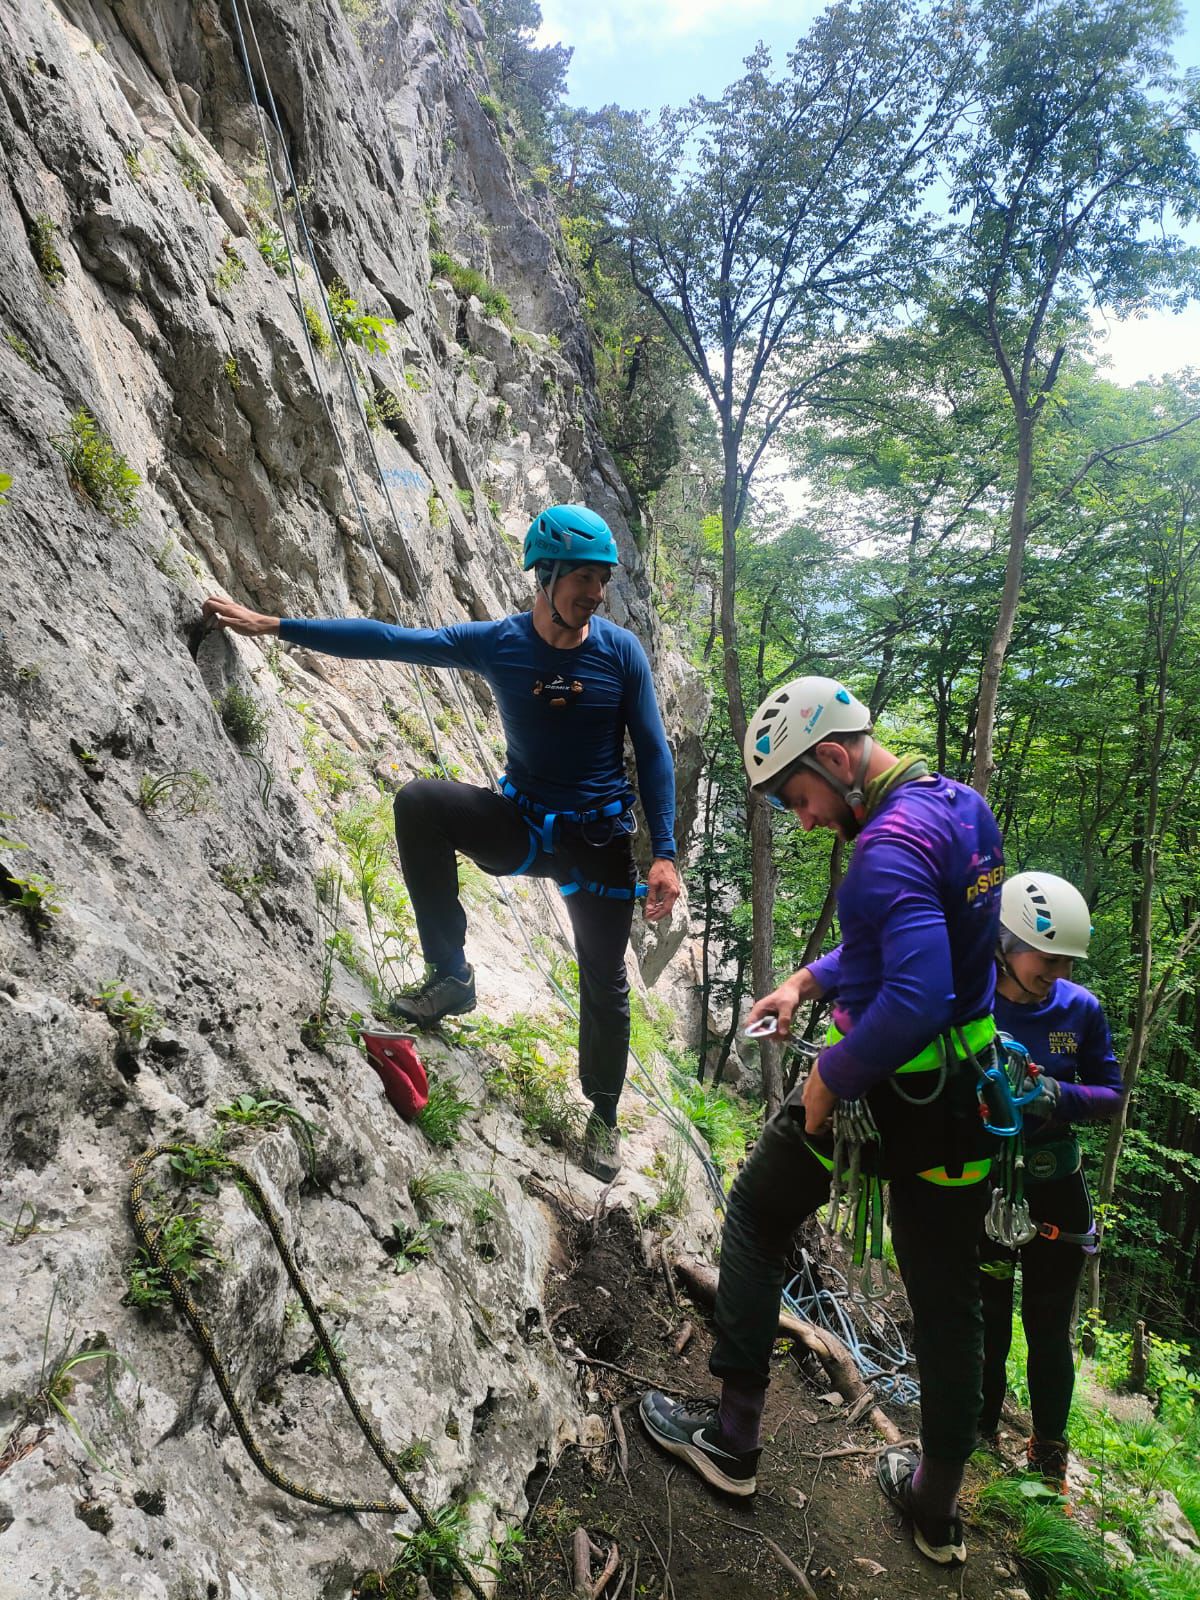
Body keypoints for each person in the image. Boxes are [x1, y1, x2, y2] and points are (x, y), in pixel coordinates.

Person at [639, 675, 1005, 1567]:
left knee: (758, 1216)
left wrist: (830, 1079)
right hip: (964, 1106)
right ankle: (935, 1508)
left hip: (885, 1099)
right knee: (948, 1304)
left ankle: (731, 1441)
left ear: (836, 760)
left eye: (800, 798)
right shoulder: (961, 811)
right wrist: (809, 980)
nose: (803, 820)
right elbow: (919, 946)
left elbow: (915, 992)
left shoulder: (883, 852)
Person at [203, 504, 681, 1181]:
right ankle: (452, 977)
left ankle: (602, 1119)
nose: (596, 594)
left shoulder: (619, 652)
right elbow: (391, 640)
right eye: (584, 579)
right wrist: (276, 626)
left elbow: (654, 754)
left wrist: (662, 853)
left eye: (602, 580)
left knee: (604, 983)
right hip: (521, 827)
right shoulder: (500, 643)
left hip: (597, 842)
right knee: (421, 803)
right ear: (543, 576)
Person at [979, 871, 1121, 1494]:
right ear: (1006, 941)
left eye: (1066, 960)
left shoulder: (1080, 1011)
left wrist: (1056, 1095)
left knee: (1046, 1322)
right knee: (985, 1314)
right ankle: (977, 1435)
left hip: (1054, 1184)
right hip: (984, 1181)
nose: (1056, 970)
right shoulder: (970, 996)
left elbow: (1112, 1094)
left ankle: (1048, 1460)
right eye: (1047, 956)